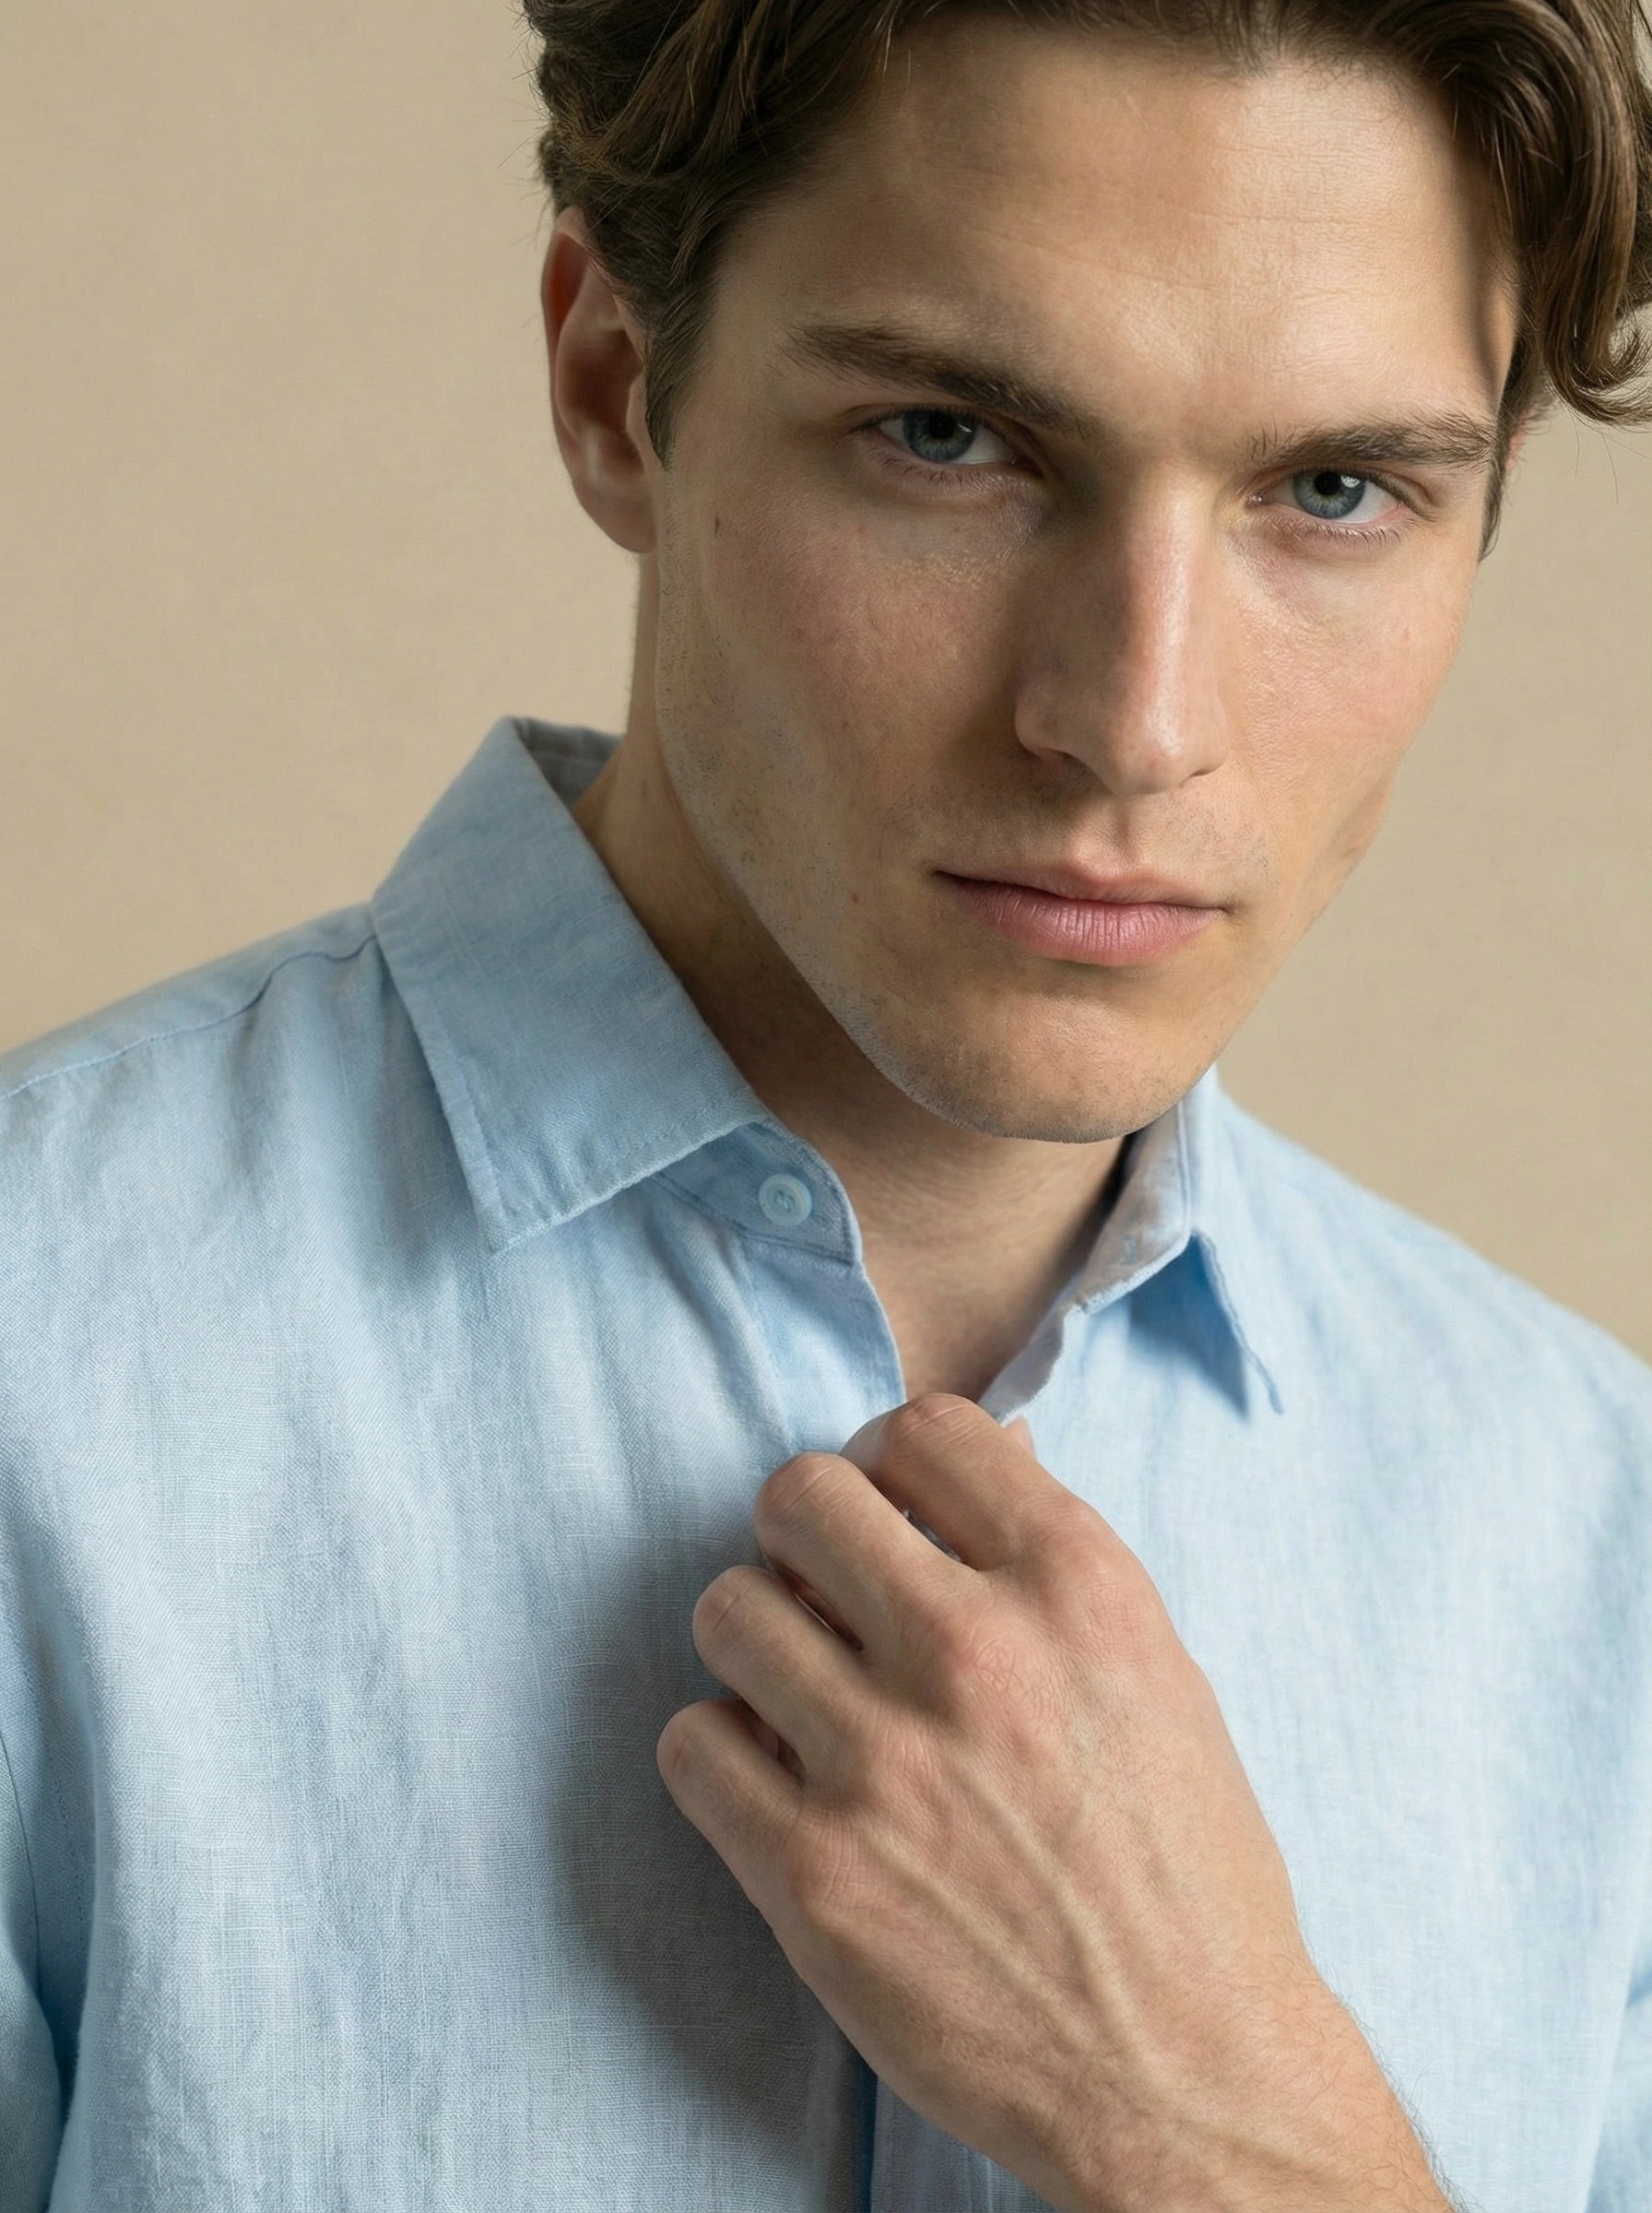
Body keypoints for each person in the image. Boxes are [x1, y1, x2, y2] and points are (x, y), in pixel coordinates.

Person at [2, 1, 1649, 2207]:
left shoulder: (1601, 1557)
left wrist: (1220, 2129)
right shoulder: (40, 1367)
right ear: (616, 387)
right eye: (948, 440)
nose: (1133, 722)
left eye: (1332, 491)